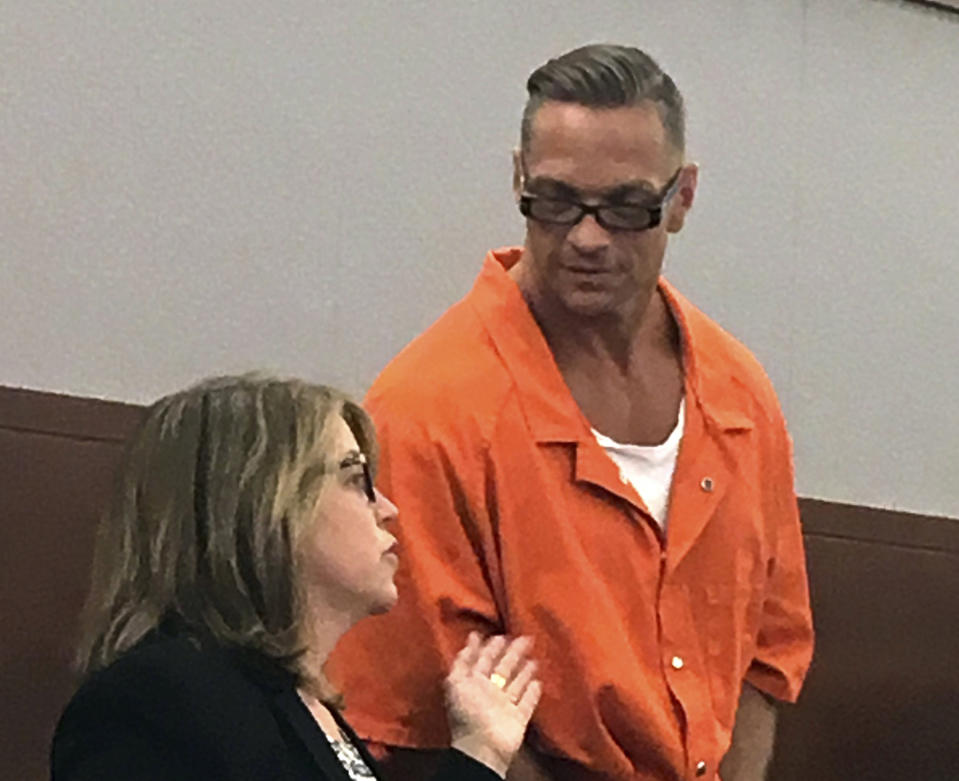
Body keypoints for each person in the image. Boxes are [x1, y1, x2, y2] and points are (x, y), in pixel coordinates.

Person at [326, 44, 814, 781]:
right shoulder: (427, 410)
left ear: (681, 198)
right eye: (555, 202)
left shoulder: (738, 394)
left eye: (624, 207)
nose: (587, 237)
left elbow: (765, 657)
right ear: (518, 180)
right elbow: (420, 713)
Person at [51, 375, 541, 781]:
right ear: (263, 506)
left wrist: (481, 750)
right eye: (357, 480)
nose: (387, 510)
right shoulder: (155, 701)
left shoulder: (300, 700)